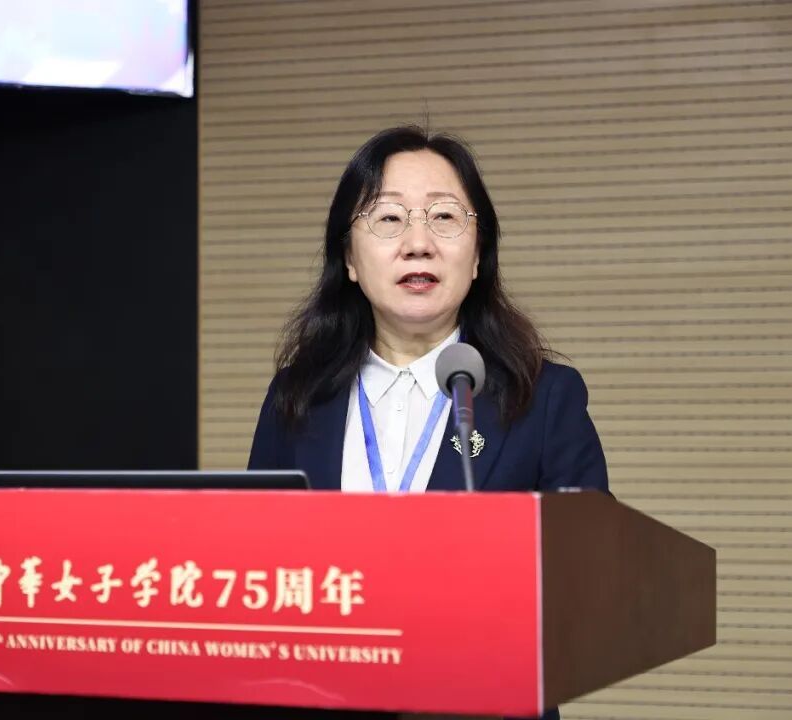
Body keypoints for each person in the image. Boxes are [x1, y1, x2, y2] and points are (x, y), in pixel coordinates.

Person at [247, 125, 609, 720]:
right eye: (389, 219)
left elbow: (592, 581)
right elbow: (258, 572)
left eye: (444, 217)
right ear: (349, 259)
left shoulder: (544, 398)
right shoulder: (297, 397)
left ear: (479, 254)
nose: (418, 243)